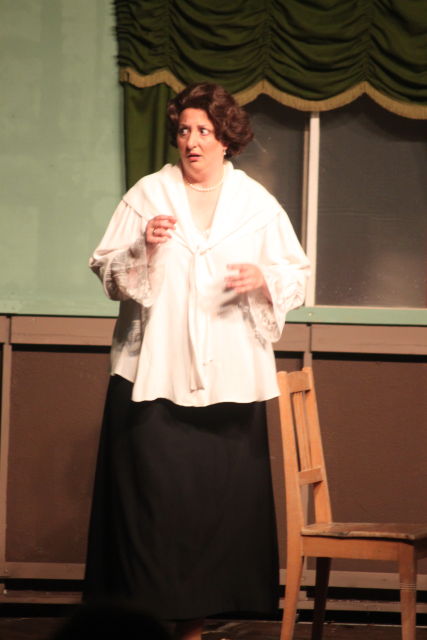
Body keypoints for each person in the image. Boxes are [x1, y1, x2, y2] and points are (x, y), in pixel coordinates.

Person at [84, 83, 310, 640]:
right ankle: (145, 626)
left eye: (204, 131)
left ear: (225, 139)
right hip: (153, 380)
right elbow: (107, 270)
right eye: (185, 130)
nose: (192, 141)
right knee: (152, 513)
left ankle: (195, 627)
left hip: (228, 384)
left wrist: (263, 279)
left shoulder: (254, 203)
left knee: (216, 512)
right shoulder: (149, 194)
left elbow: (296, 274)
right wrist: (143, 245)